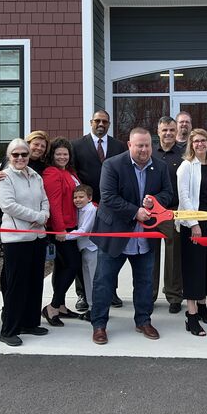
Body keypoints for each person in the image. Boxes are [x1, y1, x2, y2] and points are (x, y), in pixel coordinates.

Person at [89, 127, 173, 345]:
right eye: (139, 145)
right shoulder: (112, 165)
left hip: (144, 237)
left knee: (145, 282)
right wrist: (136, 212)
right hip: (115, 234)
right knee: (104, 282)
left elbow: (168, 194)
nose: (144, 150)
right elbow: (108, 197)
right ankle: (99, 325)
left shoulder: (160, 167)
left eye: (147, 145)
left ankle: (143, 320)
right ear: (129, 145)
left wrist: (153, 201)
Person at [0, 138, 50, 346]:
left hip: (38, 236)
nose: (20, 158)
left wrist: (44, 214)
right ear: (9, 157)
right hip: (16, 239)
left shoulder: (35, 176)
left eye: (24, 154)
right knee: (15, 285)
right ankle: (9, 329)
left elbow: (45, 199)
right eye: (15, 154)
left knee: (35, 282)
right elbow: (8, 205)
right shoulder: (4, 177)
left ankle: (29, 322)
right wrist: (36, 216)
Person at [71, 110, 127, 310]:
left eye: (104, 121)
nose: (101, 124)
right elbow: (74, 175)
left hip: (111, 208)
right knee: (85, 251)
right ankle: (82, 294)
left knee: (111, 250)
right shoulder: (77, 146)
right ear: (90, 123)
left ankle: (111, 291)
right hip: (86, 208)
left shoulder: (118, 146)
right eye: (97, 121)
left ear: (109, 124)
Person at [177, 129, 207, 336]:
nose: (200, 144)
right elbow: (184, 197)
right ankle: (192, 315)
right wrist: (194, 223)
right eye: (196, 141)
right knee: (193, 269)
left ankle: (203, 307)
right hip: (192, 226)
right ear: (191, 144)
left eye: (203, 140)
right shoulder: (186, 167)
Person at [41, 138, 83, 326]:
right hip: (60, 228)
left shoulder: (69, 172)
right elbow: (54, 205)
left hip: (71, 226)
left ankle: (62, 306)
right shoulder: (52, 173)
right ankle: (52, 306)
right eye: (58, 153)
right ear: (52, 155)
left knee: (62, 266)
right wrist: (60, 230)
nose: (62, 156)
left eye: (65, 153)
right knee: (73, 264)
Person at [152, 116, 184, 313]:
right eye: (164, 130)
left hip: (173, 212)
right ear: (158, 131)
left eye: (171, 130)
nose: (168, 134)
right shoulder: (150, 153)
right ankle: (149, 295)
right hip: (151, 213)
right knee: (150, 255)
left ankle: (173, 296)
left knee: (174, 257)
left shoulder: (184, 154)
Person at [69, 184, 98, 321]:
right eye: (75, 197)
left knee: (94, 280)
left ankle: (97, 309)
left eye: (81, 197)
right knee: (87, 279)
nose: (77, 200)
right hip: (84, 249)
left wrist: (65, 235)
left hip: (92, 248)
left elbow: (84, 230)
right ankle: (92, 307)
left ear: (90, 198)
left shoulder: (91, 209)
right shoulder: (79, 210)